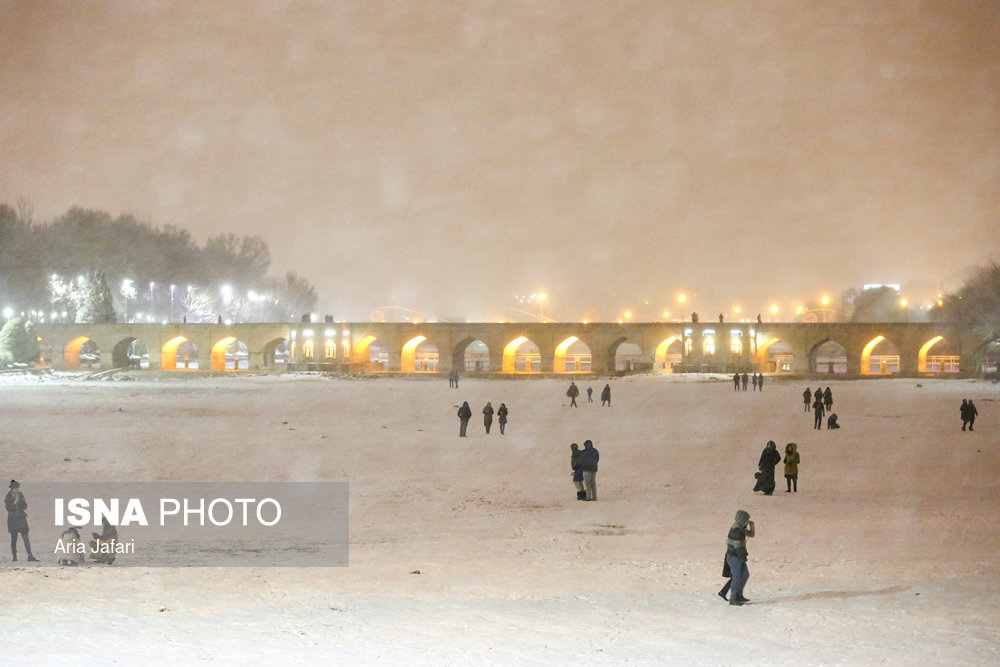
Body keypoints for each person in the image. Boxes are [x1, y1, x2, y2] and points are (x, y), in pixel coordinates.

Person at [725, 510, 755, 605]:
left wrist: (752, 526)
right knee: (737, 577)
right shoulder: (736, 530)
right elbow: (737, 545)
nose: (747, 521)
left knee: (745, 575)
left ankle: (739, 595)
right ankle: (733, 598)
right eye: (746, 519)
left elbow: (751, 534)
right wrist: (742, 556)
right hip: (734, 557)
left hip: (738, 556)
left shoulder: (740, 528)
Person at [5, 480, 37, 562]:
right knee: (14, 538)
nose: (17, 490)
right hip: (13, 520)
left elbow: (25, 506)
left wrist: (19, 504)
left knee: (25, 537)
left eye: (18, 488)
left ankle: (30, 555)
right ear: (12, 488)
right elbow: (8, 508)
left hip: (21, 518)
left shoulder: (20, 495)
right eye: (15, 488)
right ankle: (14, 556)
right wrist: (15, 502)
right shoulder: (8, 496)